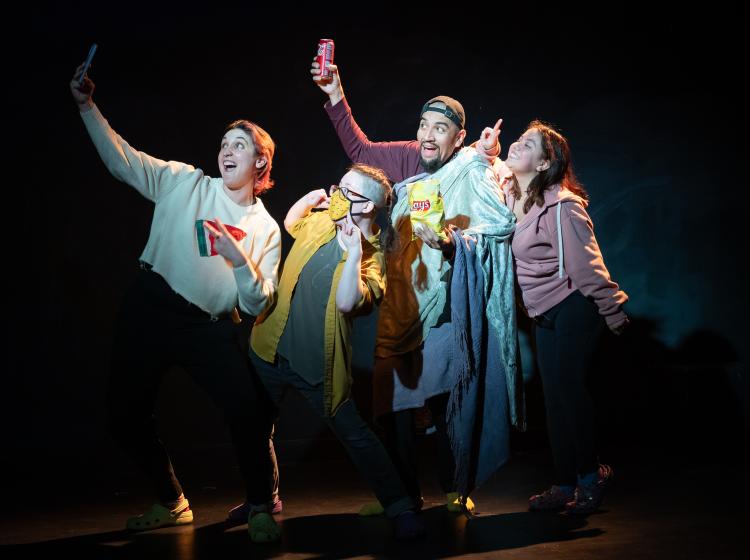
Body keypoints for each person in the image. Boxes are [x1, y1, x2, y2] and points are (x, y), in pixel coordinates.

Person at [70, 62, 281, 531]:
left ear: (260, 163)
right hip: (149, 306)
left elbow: (258, 305)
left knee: (248, 412)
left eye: (239, 145)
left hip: (206, 327)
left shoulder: (264, 227)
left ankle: (262, 506)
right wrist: (87, 106)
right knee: (123, 417)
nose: (227, 151)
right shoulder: (185, 182)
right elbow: (123, 160)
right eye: (225, 143)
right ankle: (171, 503)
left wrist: (239, 259)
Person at [311, 59, 523, 514]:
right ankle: (403, 494)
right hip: (403, 298)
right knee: (396, 406)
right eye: (423, 125)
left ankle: (455, 488)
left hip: (446, 300)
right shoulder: (410, 156)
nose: (428, 135)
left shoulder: (470, 167)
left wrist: (451, 242)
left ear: (458, 137)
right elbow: (359, 147)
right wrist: (335, 94)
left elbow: (496, 226)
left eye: (440, 128)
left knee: (448, 397)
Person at [248, 164, 425, 542]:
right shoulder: (322, 221)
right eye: (338, 186)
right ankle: (262, 502)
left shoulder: (373, 258)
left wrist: (351, 254)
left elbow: (349, 303)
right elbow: (291, 223)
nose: (336, 195)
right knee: (255, 428)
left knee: (357, 435)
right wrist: (309, 199)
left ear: (365, 208)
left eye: (346, 191)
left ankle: (400, 506)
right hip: (270, 346)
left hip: (319, 367)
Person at [479, 120, 628, 514]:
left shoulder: (564, 206)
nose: (516, 144)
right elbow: (492, 169)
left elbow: (588, 267)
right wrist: (492, 151)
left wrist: (611, 312)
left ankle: (591, 478)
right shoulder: (513, 194)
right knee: (552, 398)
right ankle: (564, 483)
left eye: (527, 144)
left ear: (545, 162)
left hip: (576, 304)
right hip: (543, 311)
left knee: (569, 393)